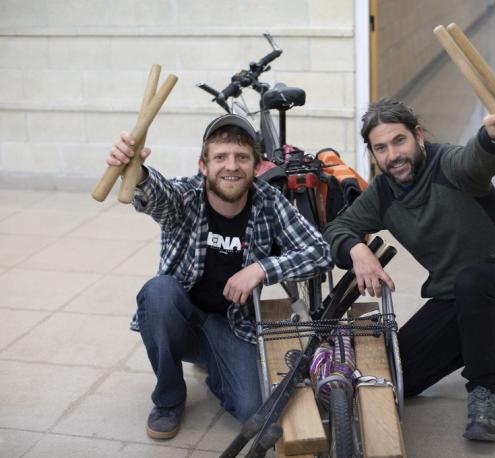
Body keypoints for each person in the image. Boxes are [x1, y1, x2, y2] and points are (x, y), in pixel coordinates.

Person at [323, 88, 495, 442]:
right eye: (381, 148)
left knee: (473, 282)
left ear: (418, 136)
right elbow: (338, 228)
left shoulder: (449, 165)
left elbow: (475, 162)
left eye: (400, 141)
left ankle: (483, 392)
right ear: (373, 153)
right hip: (458, 298)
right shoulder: (383, 192)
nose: (393, 155)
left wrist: (492, 136)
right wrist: (356, 249)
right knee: (400, 375)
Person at [106, 113, 332, 440]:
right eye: (221, 157)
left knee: (254, 407)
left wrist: (260, 269)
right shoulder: (186, 196)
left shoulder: (269, 202)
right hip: (179, 319)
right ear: (203, 165)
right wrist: (138, 173)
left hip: (231, 324)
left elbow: (319, 253)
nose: (231, 166)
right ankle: (168, 399)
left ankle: (216, 363)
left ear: (256, 168)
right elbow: (157, 195)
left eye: (242, 157)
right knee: (158, 292)